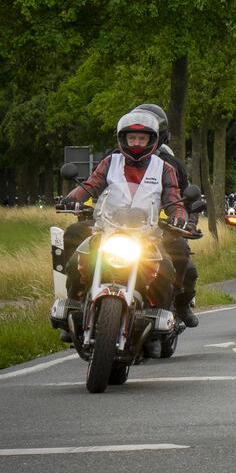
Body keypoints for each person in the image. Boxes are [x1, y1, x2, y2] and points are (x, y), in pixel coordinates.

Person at [57, 110, 187, 315]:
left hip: (146, 234)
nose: (136, 143)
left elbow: (173, 197)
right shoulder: (110, 162)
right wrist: (73, 199)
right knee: (76, 263)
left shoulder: (164, 168)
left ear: (151, 140)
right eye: (132, 138)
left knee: (166, 269)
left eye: (141, 139)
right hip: (108, 229)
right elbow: (91, 185)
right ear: (122, 139)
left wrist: (178, 217)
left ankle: (161, 320)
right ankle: (75, 307)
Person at [131, 103, 202, 328]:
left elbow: (186, 200)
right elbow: (97, 188)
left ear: (158, 135)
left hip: (159, 229)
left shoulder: (171, 164)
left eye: (147, 133)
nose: (140, 138)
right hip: (117, 227)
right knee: (80, 244)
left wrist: (187, 223)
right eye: (136, 133)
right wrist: (83, 208)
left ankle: (177, 303)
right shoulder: (113, 158)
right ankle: (77, 304)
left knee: (180, 253)